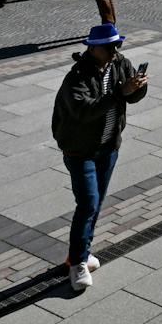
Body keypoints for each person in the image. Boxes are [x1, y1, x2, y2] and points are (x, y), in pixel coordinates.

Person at [52, 23, 148, 292]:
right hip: (80, 150)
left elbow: (132, 97)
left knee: (95, 204)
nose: (115, 50)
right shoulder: (77, 78)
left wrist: (138, 87)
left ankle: (79, 253)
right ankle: (78, 264)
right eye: (110, 46)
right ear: (94, 48)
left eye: (117, 45)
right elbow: (83, 111)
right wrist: (121, 91)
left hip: (108, 147)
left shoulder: (120, 63)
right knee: (88, 203)